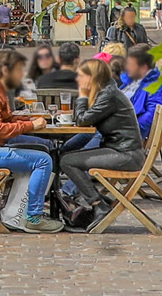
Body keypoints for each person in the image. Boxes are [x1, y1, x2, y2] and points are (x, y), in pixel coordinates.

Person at [0, 48, 63, 233]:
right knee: (43, 160)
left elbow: (7, 120)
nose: (22, 75)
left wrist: (29, 121)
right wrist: (30, 126)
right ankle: (34, 217)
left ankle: (39, 203)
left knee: (46, 146)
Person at [59, 56, 146, 207]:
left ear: (91, 77)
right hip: (121, 150)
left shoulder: (108, 95)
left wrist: (83, 95)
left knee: (67, 161)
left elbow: (82, 120)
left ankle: (97, 204)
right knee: (65, 155)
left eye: (81, 76)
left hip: (126, 155)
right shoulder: (107, 91)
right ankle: (94, 200)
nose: (78, 79)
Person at [120, 45, 162, 137]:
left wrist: (127, 129)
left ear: (143, 68)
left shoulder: (156, 87)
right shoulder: (131, 81)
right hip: (108, 127)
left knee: (88, 148)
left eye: (130, 64)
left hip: (122, 135)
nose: (126, 67)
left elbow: (152, 117)